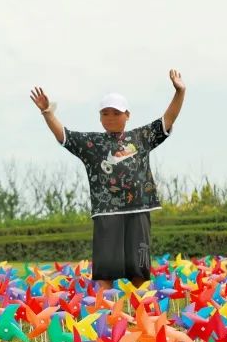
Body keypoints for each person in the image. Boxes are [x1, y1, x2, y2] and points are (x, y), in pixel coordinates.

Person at [29, 70, 186, 292]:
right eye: (105, 113)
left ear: (127, 115)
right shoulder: (91, 144)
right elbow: (63, 135)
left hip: (138, 210)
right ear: (100, 117)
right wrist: (47, 112)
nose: (111, 117)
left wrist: (180, 91)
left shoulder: (141, 137)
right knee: (105, 273)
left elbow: (167, 119)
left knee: (139, 272)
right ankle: (105, 310)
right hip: (106, 214)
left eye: (116, 113)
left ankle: (141, 310)